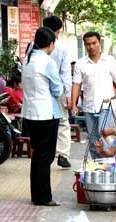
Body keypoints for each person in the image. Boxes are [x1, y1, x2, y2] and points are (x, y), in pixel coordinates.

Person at [22, 27, 63, 206]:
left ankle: (37, 195)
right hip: (46, 114)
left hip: (30, 114)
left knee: (38, 155)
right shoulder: (47, 62)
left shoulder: (27, 60)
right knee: (46, 156)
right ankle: (43, 197)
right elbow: (57, 89)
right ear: (51, 44)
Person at [71, 31, 116, 159]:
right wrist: (73, 104)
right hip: (89, 106)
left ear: (99, 42)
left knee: (103, 134)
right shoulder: (80, 63)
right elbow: (76, 85)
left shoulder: (110, 60)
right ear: (85, 45)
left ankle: (107, 164)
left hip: (107, 105)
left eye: (94, 43)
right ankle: (97, 165)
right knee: (93, 138)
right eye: (88, 44)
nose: (91, 47)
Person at [43, 15, 72, 169]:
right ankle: (62, 154)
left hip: (40, 90)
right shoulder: (60, 48)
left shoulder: (32, 46)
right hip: (58, 90)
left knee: (43, 121)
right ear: (56, 31)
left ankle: (45, 152)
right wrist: (68, 96)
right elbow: (65, 73)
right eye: (59, 31)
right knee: (62, 122)